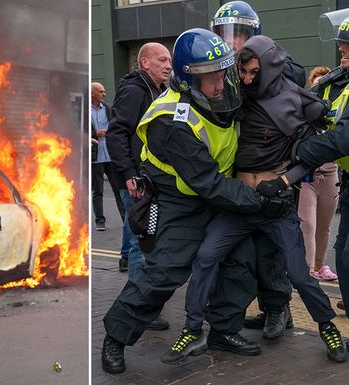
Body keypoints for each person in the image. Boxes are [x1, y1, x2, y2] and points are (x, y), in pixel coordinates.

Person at [101, 28, 286, 374]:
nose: (220, 85)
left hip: (217, 195)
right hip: (180, 200)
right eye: (210, 79)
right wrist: (260, 200)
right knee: (166, 270)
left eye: (222, 75)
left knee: (240, 260)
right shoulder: (170, 120)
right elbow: (208, 183)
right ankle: (116, 336)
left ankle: (224, 330)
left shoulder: (222, 94)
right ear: (187, 81)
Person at [165, 35, 346, 365]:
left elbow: (311, 153)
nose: (247, 79)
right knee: (206, 256)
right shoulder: (235, 95)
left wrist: (283, 182)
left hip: (275, 206)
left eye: (253, 72)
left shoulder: (296, 101)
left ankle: (327, 327)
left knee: (300, 274)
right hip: (238, 202)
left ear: (271, 68)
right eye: (243, 72)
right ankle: (192, 329)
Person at [212, 0, 301, 338]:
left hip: (273, 172)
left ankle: (279, 309)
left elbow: (294, 76)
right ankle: (265, 309)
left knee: (271, 251)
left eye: (240, 34)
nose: (232, 41)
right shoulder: (226, 70)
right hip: (239, 174)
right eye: (225, 34)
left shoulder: (273, 61)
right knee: (245, 252)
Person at [294, 11, 349, 313]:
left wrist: (301, 153)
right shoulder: (336, 80)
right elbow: (303, 102)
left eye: (347, 45)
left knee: (344, 248)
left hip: (330, 169)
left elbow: (342, 137)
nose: (341, 49)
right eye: (341, 44)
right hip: (341, 176)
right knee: (340, 248)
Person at [106, 42, 171, 278]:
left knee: (150, 242)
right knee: (140, 244)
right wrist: (129, 175)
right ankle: (139, 306)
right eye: (162, 60)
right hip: (138, 181)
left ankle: (145, 299)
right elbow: (117, 133)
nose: (168, 65)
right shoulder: (135, 90)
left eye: (169, 61)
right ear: (145, 63)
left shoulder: (159, 90)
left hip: (152, 179)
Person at [298, 67, 339, 281]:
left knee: (324, 226)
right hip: (308, 177)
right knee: (307, 224)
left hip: (330, 174)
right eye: (317, 84)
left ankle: (320, 265)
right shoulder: (304, 113)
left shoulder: (335, 113)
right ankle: (307, 272)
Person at [91, 82, 125, 231]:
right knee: (98, 191)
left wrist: (109, 131)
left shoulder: (108, 109)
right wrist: (95, 134)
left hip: (110, 155)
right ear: (93, 93)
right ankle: (100, 221)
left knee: (118, 190)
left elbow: (115, 126)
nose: (104, 94)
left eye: (104, 92)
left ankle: (126, 219)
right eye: (101, 92)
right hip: (96, 157)